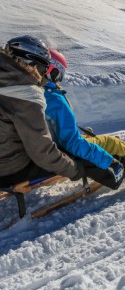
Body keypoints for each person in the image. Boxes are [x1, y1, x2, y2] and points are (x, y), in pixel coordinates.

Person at [44, 48, 125, 184]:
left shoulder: (36, 94)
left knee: (93, 139)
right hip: (65, 149)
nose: (60, 79)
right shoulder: (53, 98)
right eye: (60, 74)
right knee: (109, 141)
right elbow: (73, 143)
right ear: (51, 70)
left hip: (52, 147)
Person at [0, 35, 85, 187]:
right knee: (68, 155)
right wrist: (75, 169)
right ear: (30, 63)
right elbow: (42, 153)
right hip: (8, 170)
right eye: (42, 68)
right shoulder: (26, 96)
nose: (42, 76)